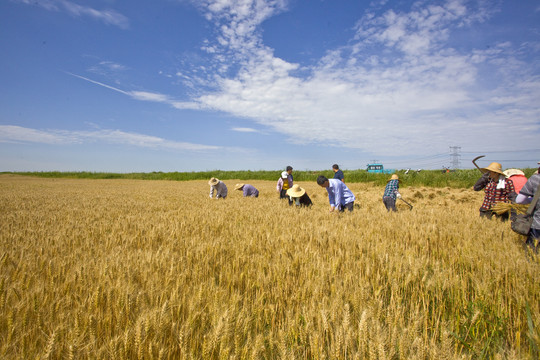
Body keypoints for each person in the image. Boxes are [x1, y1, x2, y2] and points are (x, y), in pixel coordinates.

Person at [515, 173, 540, 252]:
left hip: (538, 224)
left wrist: (532, 200)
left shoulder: (535, 178)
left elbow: (519, 200)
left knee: (533, 253)